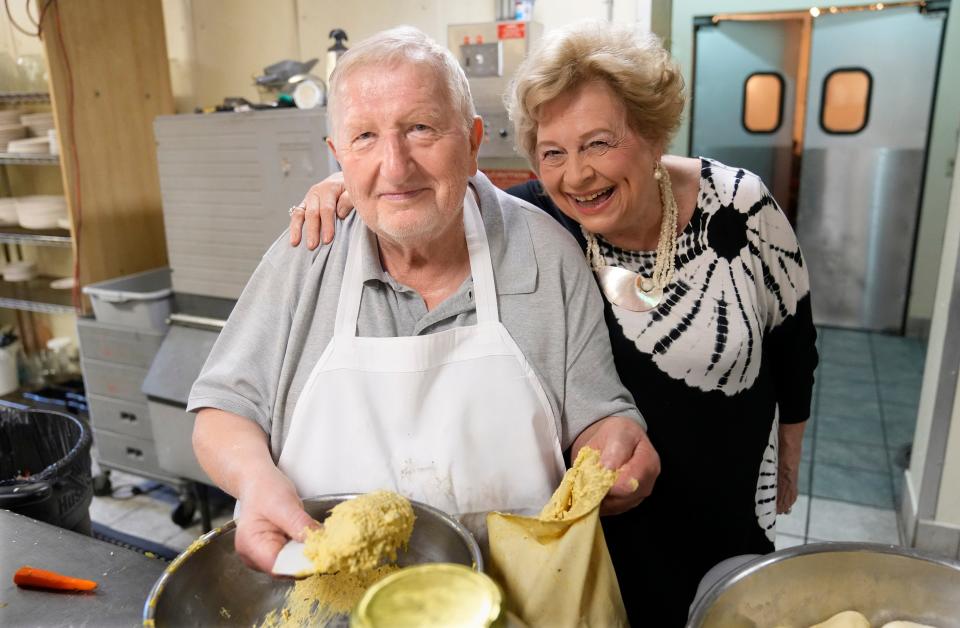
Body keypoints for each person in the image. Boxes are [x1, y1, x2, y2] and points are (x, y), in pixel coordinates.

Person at [289, 21, 818, 626]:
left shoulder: (741, 206)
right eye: (553, 153)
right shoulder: (543, 224)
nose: (577, 175)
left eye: (598, 143)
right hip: (605, 521)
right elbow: (435, 183)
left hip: (726, 497)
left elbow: (793, 341)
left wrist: (790, 457)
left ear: (649, 133)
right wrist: (346, 181)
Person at [189, 25, 660, 577]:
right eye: (364, 137)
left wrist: (616, 445)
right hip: (330, 599)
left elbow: (597, 416)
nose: (395, 165)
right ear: (336, 155)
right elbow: (220, 414)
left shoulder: (545, 253)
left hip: (518, 602)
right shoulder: (306, 254)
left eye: (420, 128)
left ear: (473, 141)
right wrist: (255, 478)